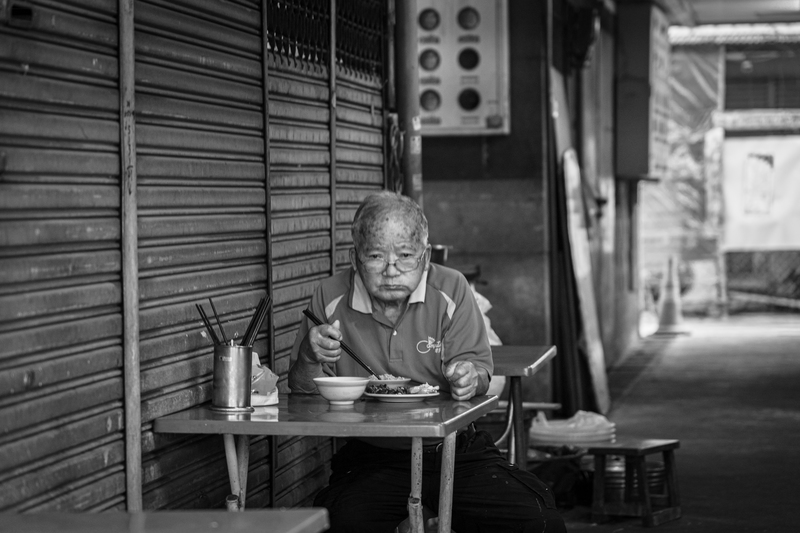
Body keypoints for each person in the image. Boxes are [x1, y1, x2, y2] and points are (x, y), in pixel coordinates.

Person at [288, 191, 565, 533]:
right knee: (342, 522)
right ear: (355, 258)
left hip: (454, 449)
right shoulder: (329, 297)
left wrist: (470, 377)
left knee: (538, 521)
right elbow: (300, 392)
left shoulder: (451, 288)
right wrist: (309, 356)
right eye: (375, 256)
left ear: (426, 255)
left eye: (405, 256)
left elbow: (480, 372)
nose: (391, 271)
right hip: (373, 455)